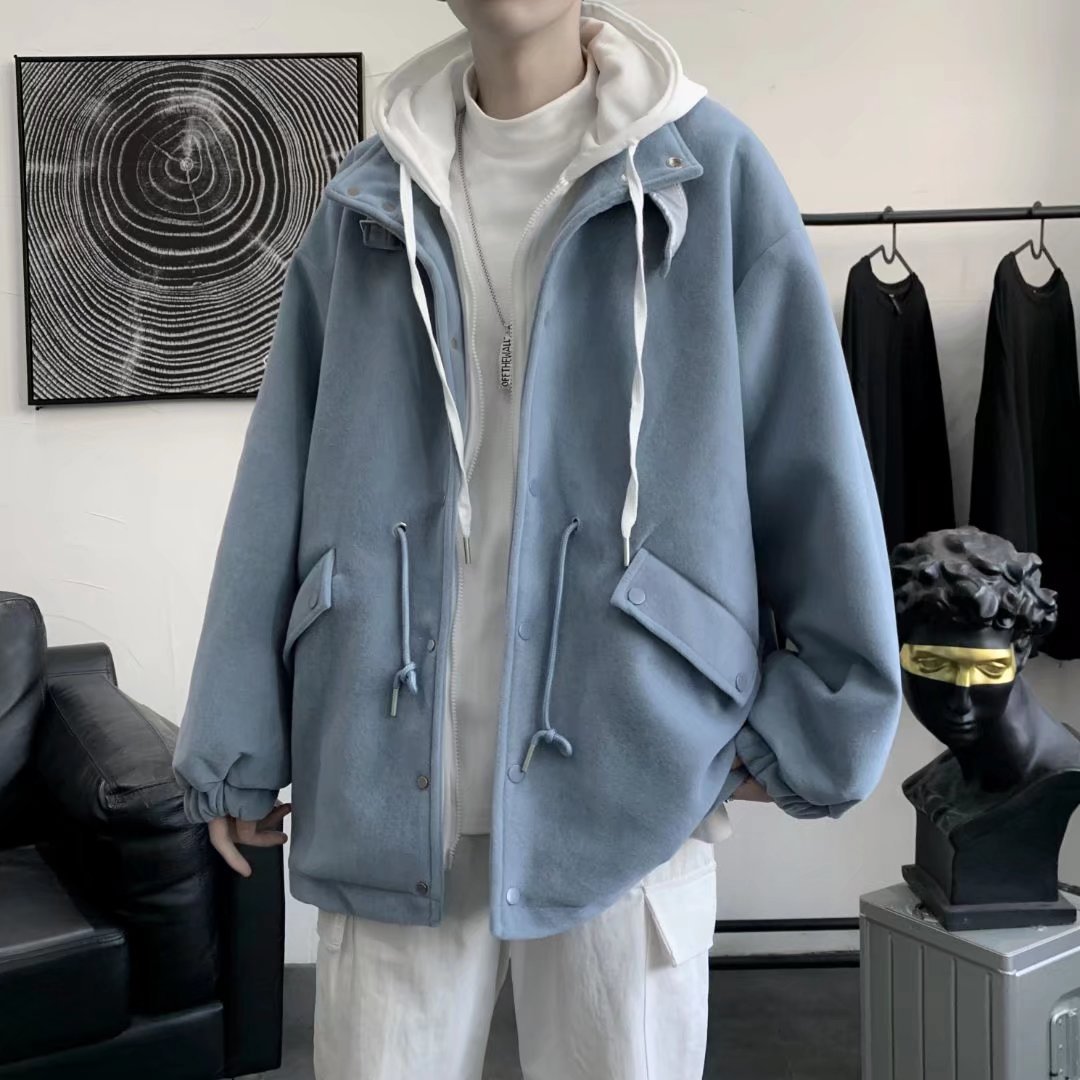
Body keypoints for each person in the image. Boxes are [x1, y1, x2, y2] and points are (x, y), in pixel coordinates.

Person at [172, 1, 902, 1077]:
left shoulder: (713, 175)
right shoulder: (366, 195)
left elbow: (812, 462)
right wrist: (234, 740)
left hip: (630, 790)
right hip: (387, 782)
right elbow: (279, 468)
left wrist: (816, 721)